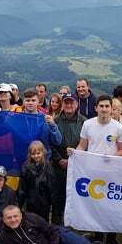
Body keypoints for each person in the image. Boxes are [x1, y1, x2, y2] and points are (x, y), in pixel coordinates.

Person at [72, 95, 122, 244]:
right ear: (96, 108)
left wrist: (113, 157)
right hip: (92, 171)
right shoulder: (88, 124)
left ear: (111, 108)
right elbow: (82, 145)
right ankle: (97, 235)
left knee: (111, 203)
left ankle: (111, 237)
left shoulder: (118, 127)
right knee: (95, 203)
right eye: (101, 106)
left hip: (111, 172)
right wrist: (75, 154)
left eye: (107, 106)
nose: (104, 109)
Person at [51, 93, 86, 225]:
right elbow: (50, 143)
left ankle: (74, 224)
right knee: (58, 197)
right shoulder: (55, 121)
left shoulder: (84, 122)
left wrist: (73, 160)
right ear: (62, 104)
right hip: (58, 166)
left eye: (72, 102)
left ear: (77, 104)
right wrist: (59, 159)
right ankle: (56, 225)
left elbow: (86, 143)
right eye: (66, 102)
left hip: (77, 166)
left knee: (75, 197)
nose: (69, 105)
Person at [18, 141, 58, 222]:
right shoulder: (25, 167)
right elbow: (22, 189)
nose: (36, 156)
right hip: (30, 202)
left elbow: (52, 188)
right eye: (33, 154)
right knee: (30, 222)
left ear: (43, 152)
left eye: (38, 153)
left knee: (43, 222)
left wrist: (54, 207)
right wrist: (19, 206)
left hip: (44, 203)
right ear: (30, 154)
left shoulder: (49, 166)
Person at [22, 89, 63, 158]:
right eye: (27, 100)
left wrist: (53, 126)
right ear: (24, 102)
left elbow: (57, 141)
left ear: (38, 101)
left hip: (44, 159)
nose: (30, 103)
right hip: (24, 158)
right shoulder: (19, 118)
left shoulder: (46, 119)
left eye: (33, 100)